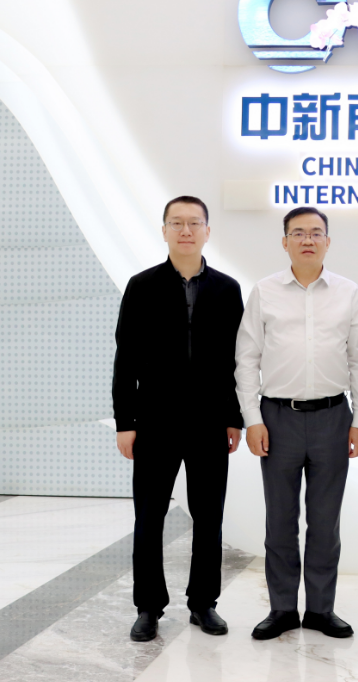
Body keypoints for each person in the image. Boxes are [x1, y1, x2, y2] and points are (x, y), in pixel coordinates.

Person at [235, 206, 358, 640]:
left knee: (324, 522)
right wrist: (252, 419)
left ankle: (320, 609)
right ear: (285, 242)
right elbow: (246, 359)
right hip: (277, 418)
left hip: (334, 417)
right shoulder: (264, 291)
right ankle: (281, 609)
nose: (308, 240)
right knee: (280, 520)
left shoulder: (348, 292)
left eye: (316, 233)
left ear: (328, 242)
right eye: (298, 233)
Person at [112, 195, 246, 643]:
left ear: (207, 231)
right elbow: (125, 359)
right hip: (155, 422)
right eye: (177, 223)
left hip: (209, 422)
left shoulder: (227, 289)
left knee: (209, 517)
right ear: (164, 230)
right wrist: (125, 421)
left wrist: (234, 417)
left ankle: (203, 602)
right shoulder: (142, 285)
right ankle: (148, 606)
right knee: (149, 518)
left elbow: (235, 361)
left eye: (194, 223)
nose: (185, 231)